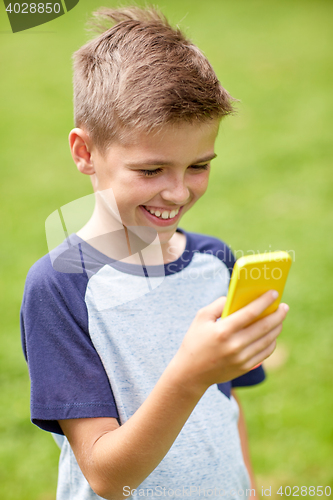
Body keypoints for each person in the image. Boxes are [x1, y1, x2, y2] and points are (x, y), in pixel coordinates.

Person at [20, 6, 289, 500]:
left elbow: (225, 406)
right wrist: (189, 375)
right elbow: (107, 477)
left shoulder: (216, 262)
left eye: (199, 165)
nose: (179, 193)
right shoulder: (61, 285)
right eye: (150, 171)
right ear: (85, 153)